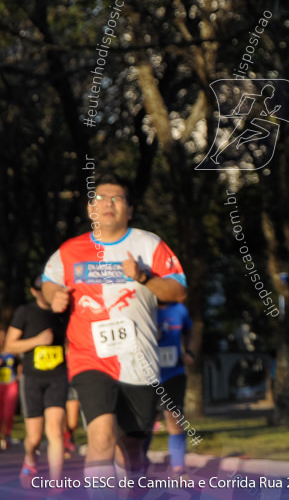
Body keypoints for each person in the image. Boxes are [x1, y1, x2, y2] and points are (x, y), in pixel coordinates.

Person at [41, 172, 187, 487]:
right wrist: (56, 297)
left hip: (140, 362)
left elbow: (178, 293)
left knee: (132, 451)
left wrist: (145, 278)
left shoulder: (149, 245)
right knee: (101, 437)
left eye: (116, 198)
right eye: (100, 199)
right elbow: (49, 283)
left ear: (130, 209)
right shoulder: (69, 251)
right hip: (89, 358)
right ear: (90, 209)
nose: (107, 204)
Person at [4, 275, 68, 483]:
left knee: (56, 431)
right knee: (34, 437)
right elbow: (10, 346)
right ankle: (30, 457)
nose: (44, 293)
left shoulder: (63, 312)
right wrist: (38, 341)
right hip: (32, 379)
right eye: (39, 290)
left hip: (57, 377)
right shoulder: (25, 312)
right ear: (33, 292)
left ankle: (56, 484)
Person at [153, 302, 194, 476]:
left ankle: (178, 465)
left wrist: (189, 351)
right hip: (147, 373)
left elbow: (189, 331)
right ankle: (137, 462)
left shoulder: (179, 309)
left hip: (174, 371)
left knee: (174, 416)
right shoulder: (145, 305)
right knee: (145, 421)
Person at [0, 332, 17, 452]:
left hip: (11, 384)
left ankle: (7, 435)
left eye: (3, 336)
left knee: (8, 413)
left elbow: (20, 365)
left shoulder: (13, 350)